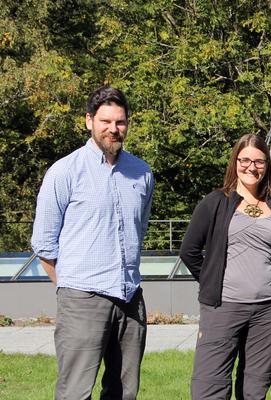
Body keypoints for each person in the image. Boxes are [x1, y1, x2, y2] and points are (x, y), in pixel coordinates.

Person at [31, 86, 154, 399]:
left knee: (124, 392)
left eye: (120, 122)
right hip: (82, 299)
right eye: (105, 121)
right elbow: (44, 244)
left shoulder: (142, 173)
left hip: (130, 300)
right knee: (75, 392)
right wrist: (71, 287)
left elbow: (139, 229)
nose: (113, 129)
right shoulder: (64, 172)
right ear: (89, 121)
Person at [179, 134, 271, 400]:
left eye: (259, 162)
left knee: (255, 391)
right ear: (235, 162)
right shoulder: (215, 202)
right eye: (245, 160)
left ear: (267, 165)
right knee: (210, 388)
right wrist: (213, 281)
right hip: (223, 309)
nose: (252, 167)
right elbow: (189, 251)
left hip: (267, 312)